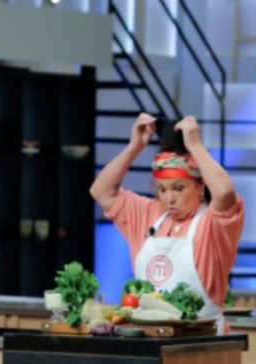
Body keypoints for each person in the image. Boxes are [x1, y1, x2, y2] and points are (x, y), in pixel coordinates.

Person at [90, 112, 244, 332]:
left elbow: (225, 192)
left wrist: (196, 146)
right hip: (153, 337)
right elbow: (101, 191)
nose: (169, 198)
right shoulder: (149, 214)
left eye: (179, 188)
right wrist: (135, 145)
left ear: (200, 187)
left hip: (203, 338)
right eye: (162, 189)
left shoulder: (213, 223)